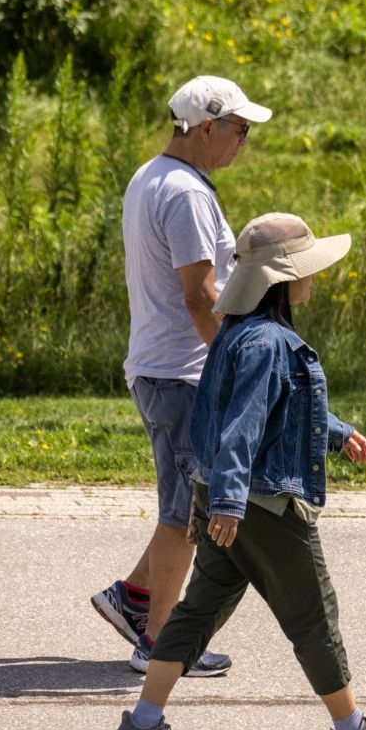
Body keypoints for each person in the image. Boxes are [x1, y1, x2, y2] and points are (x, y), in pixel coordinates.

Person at [104, 213, 366, 730]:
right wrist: (229, 502)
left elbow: (284, 412)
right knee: (313, 614)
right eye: (306, 269)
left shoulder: (237, 333)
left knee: (198, 611)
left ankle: (143, 723)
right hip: (262, 505)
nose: (313, 278)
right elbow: (242, 426)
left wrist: (338, 432)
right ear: (282, 278)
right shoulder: (270, 343)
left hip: (228, 500)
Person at [91, 75, 271, 675]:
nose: (243, 142)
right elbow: (201, 296)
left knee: (181, 501)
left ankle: (134, 597)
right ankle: (161, 643)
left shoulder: (151, 177)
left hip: (159, 367)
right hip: (182, 373)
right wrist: (233, 363)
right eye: (239, 129)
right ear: (205, 127)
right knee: (185, 514)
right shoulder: (189, 195)